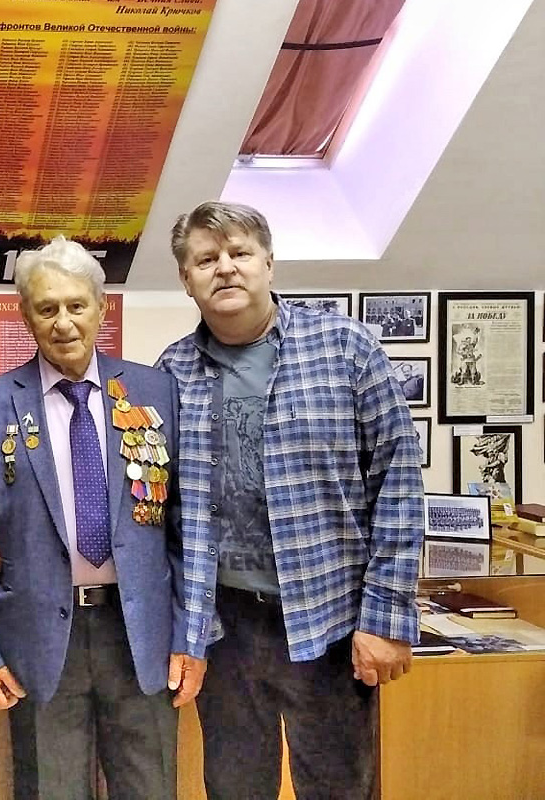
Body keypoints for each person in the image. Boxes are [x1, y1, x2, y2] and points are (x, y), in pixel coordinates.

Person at [156, 201, 424, 799]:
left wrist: (385, 616)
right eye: (206, 259)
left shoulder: (346, 348)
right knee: (233, 787)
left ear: (269, 263)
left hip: (329, 621)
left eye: (240, 253)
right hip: (223, 628)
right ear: (186, 279)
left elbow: (399, 485)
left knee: (338, 787)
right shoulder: (171, 372)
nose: (226, 268)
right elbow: (158, 509)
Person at [0, 236, 203, 799]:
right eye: (47, 309)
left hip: (139, 637)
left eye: (76, 305)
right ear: (25, 316)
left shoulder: (155, 391)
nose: (63, 323)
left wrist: (193, 634)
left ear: (101, 307)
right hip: (40, 643)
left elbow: (188, 528)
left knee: (150, 788)